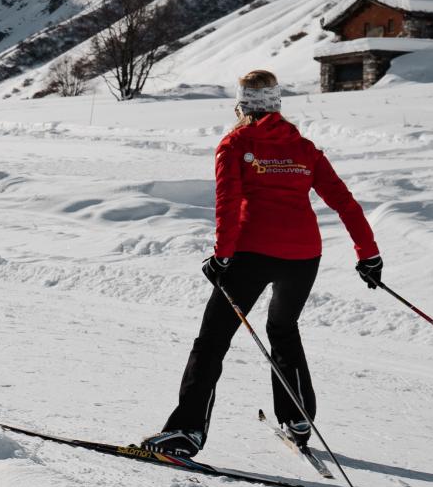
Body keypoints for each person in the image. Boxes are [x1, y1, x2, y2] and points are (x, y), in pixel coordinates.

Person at [145, 69, 382, 459]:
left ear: (240, 105)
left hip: (252, 253)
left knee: (212, 343)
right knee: (283, 329)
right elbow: (344, 201)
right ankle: (298, 416)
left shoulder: (236, 143)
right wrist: (368, 254)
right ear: (276, 104)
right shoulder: (304, 148)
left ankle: (186, 431)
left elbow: (227, 205)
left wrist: (222, 255)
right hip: (304, 256)